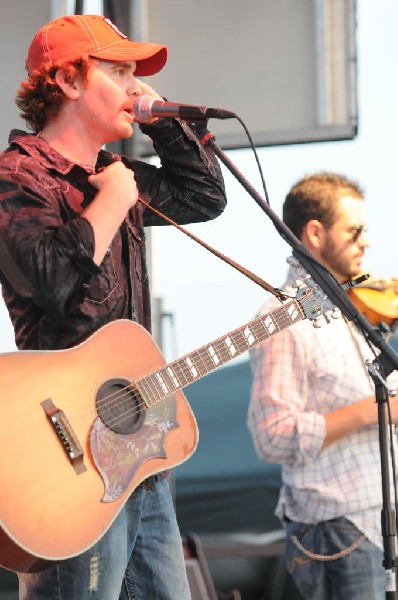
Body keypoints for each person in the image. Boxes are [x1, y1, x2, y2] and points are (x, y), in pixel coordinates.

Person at [0, 14, 227, 600]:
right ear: (69, 82)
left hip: (138, 449)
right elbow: (46, 280)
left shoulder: (114, 174)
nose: (136, 87)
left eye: (137, 74)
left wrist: (166, 121)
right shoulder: (17, 177)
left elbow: (204, 197)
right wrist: (113, 203)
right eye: (120, 71)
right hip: (64, 462)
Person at [248, 172, 398, 600]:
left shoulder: (353, 311)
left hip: (378, 522)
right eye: (354, 231)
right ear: (314, 233)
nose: (365, 242)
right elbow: (271, 437)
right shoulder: (282, 318)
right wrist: (377, 408)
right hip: (338, 530)